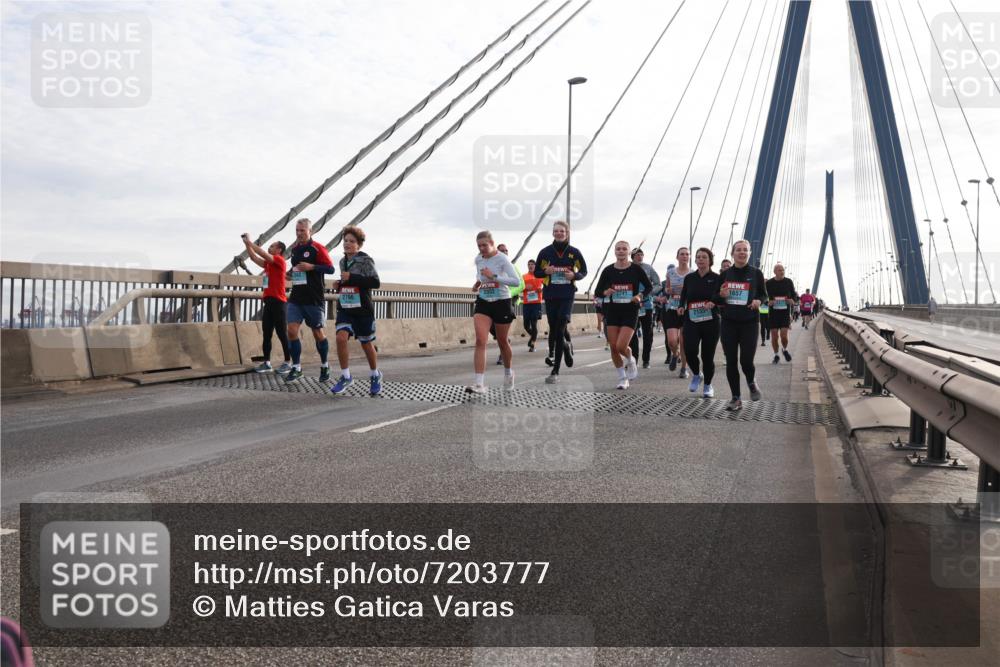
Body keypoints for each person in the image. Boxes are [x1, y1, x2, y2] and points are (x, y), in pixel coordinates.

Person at [329, 226, 383, 396]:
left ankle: (375, 374)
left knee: (366, 343)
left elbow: (375, 283)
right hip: (346, 307)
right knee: (340, 337)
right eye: (345, 241)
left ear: (358, 245)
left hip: (362, 309)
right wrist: (340, 284)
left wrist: (351, 278)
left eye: (352, 241)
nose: (347, 244)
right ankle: (346, 376)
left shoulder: (366, 261)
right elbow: (348, 281)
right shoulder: (342, 261)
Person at [714, 239, 767, 411]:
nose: (742, 252)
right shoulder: (724, 274)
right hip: (729, 322)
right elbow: (715, 298)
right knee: (731, 361)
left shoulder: (756, 273)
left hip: (750, 322)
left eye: (745, 250)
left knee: (746, 361)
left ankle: (751, 382)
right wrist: (721, 295)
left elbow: (764, 295)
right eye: (739, 250)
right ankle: (735, 398)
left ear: (749, 253)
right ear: (732, 253)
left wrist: (759, 300)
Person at [534, 220, 587, 384]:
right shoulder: (545, 253)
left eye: (561, 231)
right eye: (556, 231)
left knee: (559, 330)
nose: (559, 233)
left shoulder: (574, 252)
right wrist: (545, 271)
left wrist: (575, 276)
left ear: (567, 233)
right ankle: (565, 345)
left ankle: (555, 370)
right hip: (550, 295)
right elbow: (536, 273)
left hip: (567, 295)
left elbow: (584, 271)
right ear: (552, 233)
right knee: (554, 328)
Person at [595, 240, 652, 390]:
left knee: (621, 346)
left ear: (628, 252)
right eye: (618, 249)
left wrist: (639, 296)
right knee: (613, 347)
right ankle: (622, 378)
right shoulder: (608, 270)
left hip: (630, 310)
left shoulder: (636, 269)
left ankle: (630, 358)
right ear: (614, 251)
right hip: (612, 310)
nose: (621, 251)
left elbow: (649, 287)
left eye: (624, 249)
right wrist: (605, 292)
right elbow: (598, 291)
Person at [467, 231, 520, 393]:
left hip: (502, 302)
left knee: (502, 342)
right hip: (484, 302)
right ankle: (479, 384)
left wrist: (495, 276)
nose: (481, 249)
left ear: (492, 243)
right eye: (479, 246)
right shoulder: (478, 259)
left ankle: (508, 373)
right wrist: (477, 283)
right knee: (480, 340)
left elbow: (515, 281)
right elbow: (481, 275)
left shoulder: (502, 259)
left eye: (484, 245)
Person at [284, 218, 335, 383]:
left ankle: (325, 364)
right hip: (296, 297)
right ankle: (297, 367)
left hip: (314, 298)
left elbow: (330, 268)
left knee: (317, 333)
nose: (299, 234)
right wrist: (290, 273)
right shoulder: (294, 249)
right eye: (297, 231)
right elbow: (297, 268)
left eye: (302, 231)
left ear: (310, 231)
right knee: (291, 331)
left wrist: (312, 267)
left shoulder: (317, 248)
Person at [241, 233, 291, 374]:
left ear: (279, 250)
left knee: (282, 333)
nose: (270, 247)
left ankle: (288, 362)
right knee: (267, 333)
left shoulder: (279, 261)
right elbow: (253, 257)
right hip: (268, 303)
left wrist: (250, 242)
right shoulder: (269, 265)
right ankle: (267, 363)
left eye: (272, 246)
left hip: (279, 303)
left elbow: (261, 253)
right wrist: (246, 244)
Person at [679, 247, 720, 398]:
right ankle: (697, 374)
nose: (701, 259)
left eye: (704, 257)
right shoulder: (690, 278)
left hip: (711, 321)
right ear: (695, 260)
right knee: (689, 350)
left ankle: (708, 385)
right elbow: (684, 295)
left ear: (710, 260)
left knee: (707, 356)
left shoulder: (717, 278)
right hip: (692, 319)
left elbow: (721, 297)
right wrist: (680, 306)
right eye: (698, 257)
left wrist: (713, 302)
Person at [657, 248, 692, 377]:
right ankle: (675, 354)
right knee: (672, 341)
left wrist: (686, 291)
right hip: (671, 308)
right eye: (682, 254)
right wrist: (669, 290)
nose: (684, 256)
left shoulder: (693, 273)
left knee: (683, 341)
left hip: (687, 310)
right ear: (677, 257)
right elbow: (666, 288)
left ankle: (684, 368)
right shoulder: (670, 272)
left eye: (687, 254)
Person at [491, 243, 524, 365]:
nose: (505, 252)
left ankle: (502, 354)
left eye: (506, 251)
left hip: (507, 300)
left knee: (501, 330)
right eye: (501, 251)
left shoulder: (512, 266)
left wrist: (509, 292)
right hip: (492, 300)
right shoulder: (492, 266)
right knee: (491, 326)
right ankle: (505, 340)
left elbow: (521, 285)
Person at [764, 263, 797, 364]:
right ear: (775, 272)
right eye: (780, 270)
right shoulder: (768, 283)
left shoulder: (788, 281)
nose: (782, 272)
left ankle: (785, 349)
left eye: (783, 270)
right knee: (774, 336)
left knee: (784, 336)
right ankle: (776, 355)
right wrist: (767, 302)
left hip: (784, 313)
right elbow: (763, 296)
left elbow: (794, 295)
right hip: (773, 313)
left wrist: (792, 301)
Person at [521, 259, 545, 352]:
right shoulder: (524, 277)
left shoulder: (539, 275)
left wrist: (541, 290)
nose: (530, 266)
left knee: (533, 323)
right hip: (527, 303)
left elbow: (546, 285)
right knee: (526, 325)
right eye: (529, 264)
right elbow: (519, 287)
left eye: (532, 264)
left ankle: (533, 343)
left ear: (535, 266)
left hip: (536, 303)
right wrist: (524, 287)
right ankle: (534, 335)